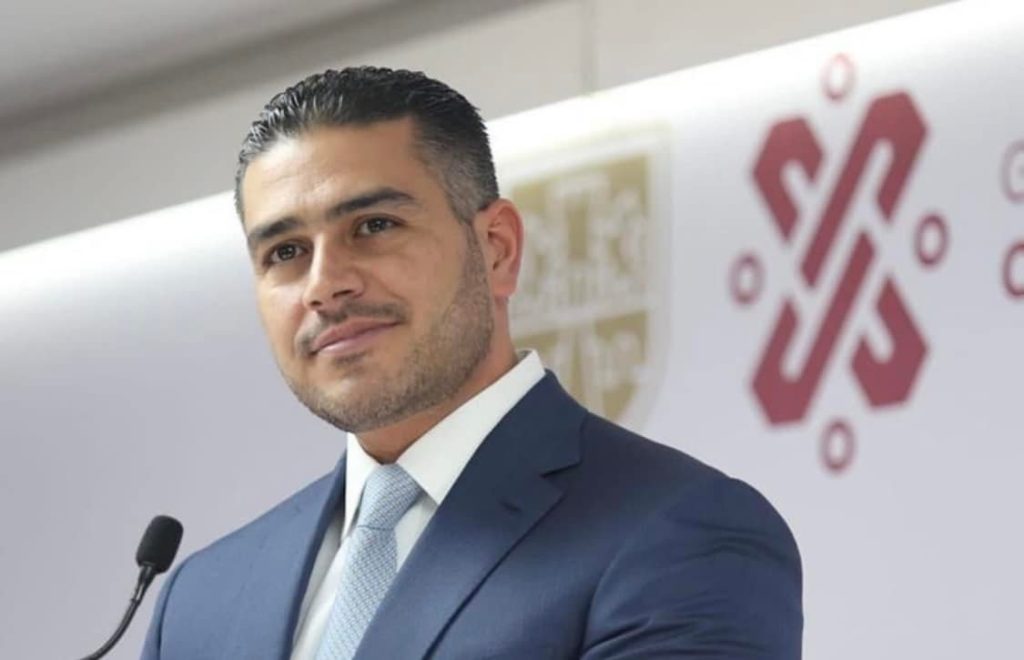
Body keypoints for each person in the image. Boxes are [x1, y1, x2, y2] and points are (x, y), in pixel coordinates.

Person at [141, 66, 802, 660]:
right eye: (285, 252)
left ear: (497, 249)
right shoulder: (199, 600)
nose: (324, 285)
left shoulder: (679, 533)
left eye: (373, 226)